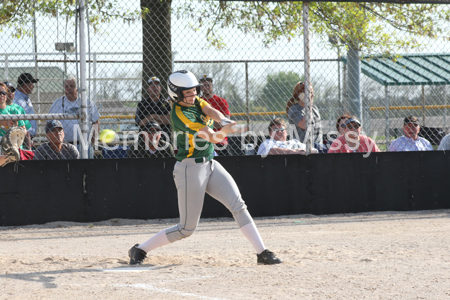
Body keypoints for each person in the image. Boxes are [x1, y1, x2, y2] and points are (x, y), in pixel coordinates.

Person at [128, 70, 282, 266]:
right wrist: (228, 129)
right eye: (188, 93)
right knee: (186, 229)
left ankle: (262, 252)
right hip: (189, 169)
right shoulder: (180, 115)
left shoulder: (195, 101)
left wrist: (223, 119)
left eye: (194, 91)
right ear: (176, 94)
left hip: (209, 163)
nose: (194, 95)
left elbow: (210, 110)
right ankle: (140, 249)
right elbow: (213, 137)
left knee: (238, 205)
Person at [48, 78, 100, 157]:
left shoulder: (86, 102)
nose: (68, 89)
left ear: (77, 88)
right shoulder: (58, 103)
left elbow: (96, 122)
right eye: (66, 87)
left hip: (83, 144)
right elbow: (49, 123)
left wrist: (92, 142)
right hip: (64, 145)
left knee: (86, 168)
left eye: (71, 86)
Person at [199, 74, 231, 156]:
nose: (206, 87)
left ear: (212, 85)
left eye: (208, 85)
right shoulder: (198, 102)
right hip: (203, 140)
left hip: (220, 140)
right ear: (200, 87)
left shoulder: (221, 101)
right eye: (203, 85)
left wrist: (205, 127)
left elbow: (226, 121)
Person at [135, 76, 172, 142]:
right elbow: (140, 122)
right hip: (145, 140)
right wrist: (161, 120)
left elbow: (169, 120)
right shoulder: (142, 104)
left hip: (164, 138)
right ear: (148, 89)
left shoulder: (166, 104)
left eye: (157, 85)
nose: (155, 87)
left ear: (160, 88)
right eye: (152, 85)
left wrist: (152, 116)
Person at [286, 81, 323, 147]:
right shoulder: (294, 109)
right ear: (301, 95)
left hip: (318, 146)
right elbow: (304, 125)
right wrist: (309, 105)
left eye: (312, 93)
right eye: (310, 93)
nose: (313, 95)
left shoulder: (314, 108)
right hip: (302, 148)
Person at [4, 81, 32, 149]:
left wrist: (29, 150)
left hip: (18, 148)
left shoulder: (19, 108)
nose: (10, 92)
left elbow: (27, 132)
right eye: (7, 90)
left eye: (12, 90)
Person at [13, 73, 38, 139]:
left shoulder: (26, 97)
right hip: (20, 137)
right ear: (25, 86)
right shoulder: (14, 98)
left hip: (28, 137)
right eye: (31, 85)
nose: (33, 87)